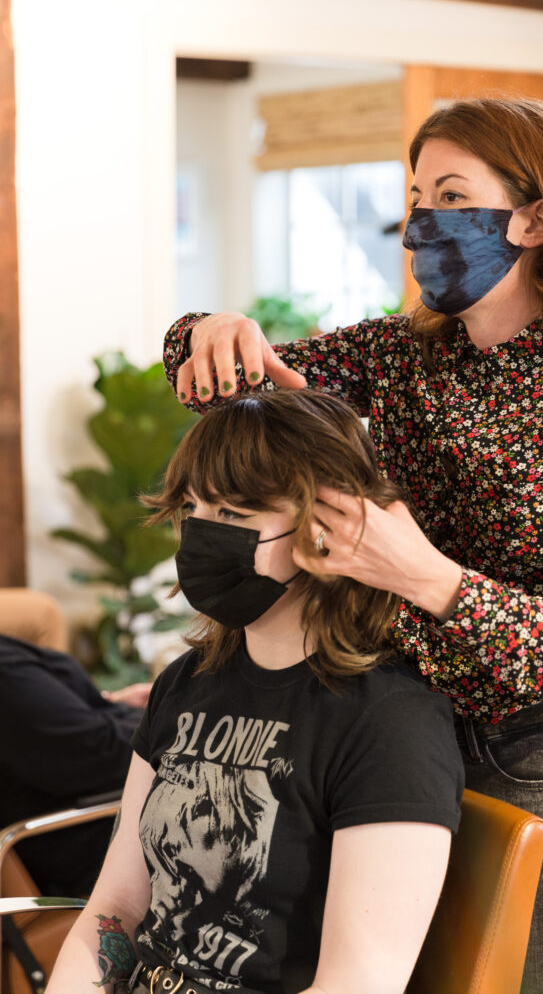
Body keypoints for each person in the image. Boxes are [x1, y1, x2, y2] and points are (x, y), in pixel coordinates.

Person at [161, 97, 543, 994]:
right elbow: (234, 388)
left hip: (537, 760)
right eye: (412, 194)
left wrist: (427, 579)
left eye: (449, 193)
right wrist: (202, 334)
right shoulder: (405, 354)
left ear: (536, 216)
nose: (418, 221)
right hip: (394, 727)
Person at [45, 389, 464, 994]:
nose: (204, 535)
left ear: (331, 527)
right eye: (194, 509)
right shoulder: (185, 683)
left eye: (236, 515)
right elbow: (116, 910)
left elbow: (359, 984)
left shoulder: (390, 722)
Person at [0, 633, 149, 896]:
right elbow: (97, 752)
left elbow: (46, 729)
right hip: (79, 836)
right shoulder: (6, 672)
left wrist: (111, 705)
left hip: (86, 801)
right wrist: (175, 722)